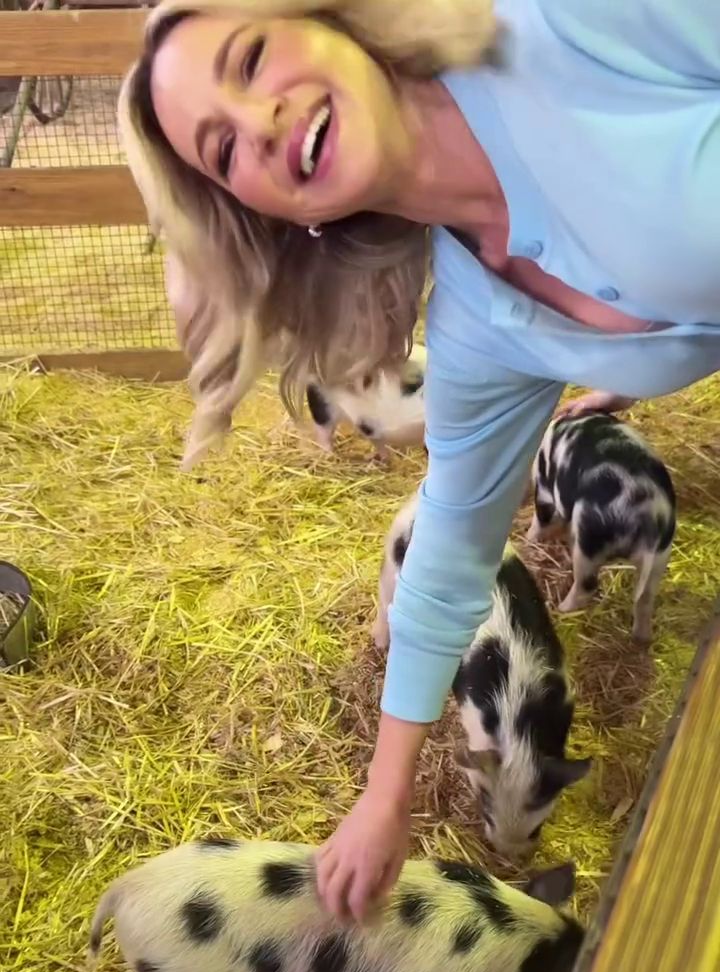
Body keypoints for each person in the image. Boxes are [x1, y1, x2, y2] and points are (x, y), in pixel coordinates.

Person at [119, 0, 720, 921]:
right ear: (272, 214)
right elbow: (453, 543)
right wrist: (384, 795)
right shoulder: (480, 315)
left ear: (340, 21)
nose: (260, 121)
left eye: (253, 58)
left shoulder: (566, 23)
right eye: (224, 150)